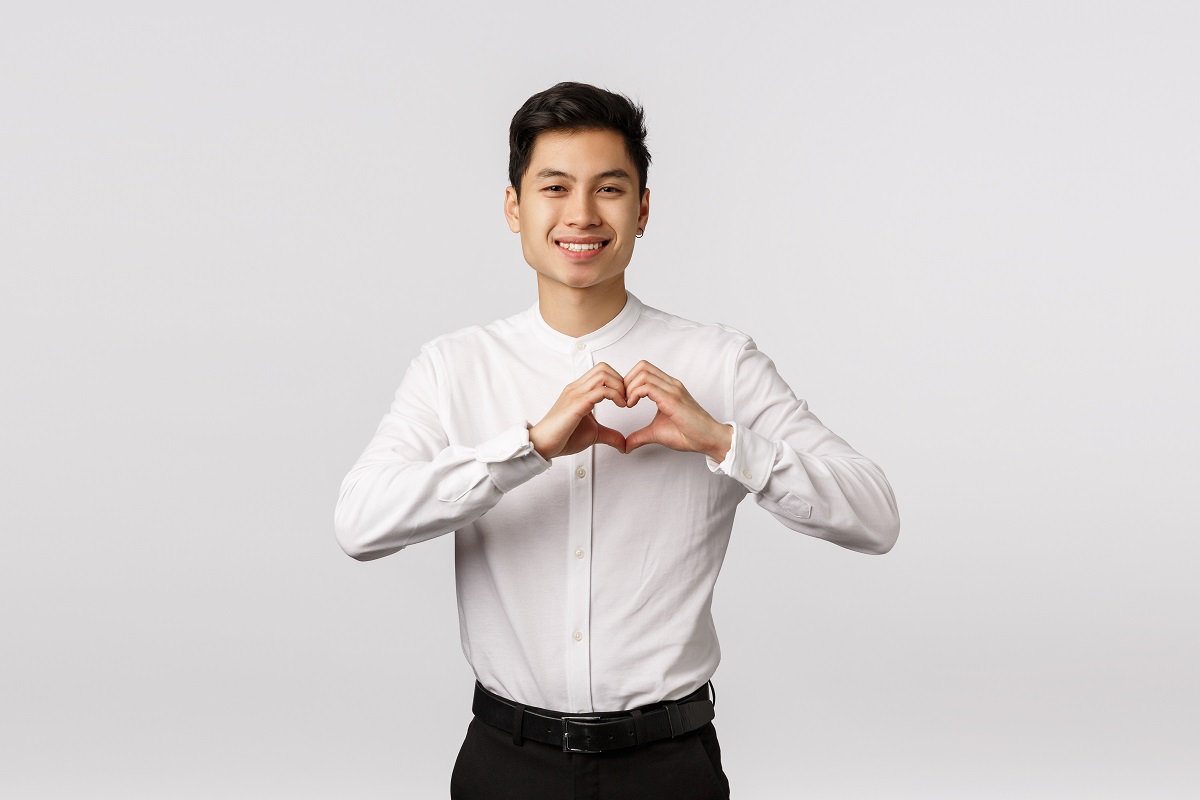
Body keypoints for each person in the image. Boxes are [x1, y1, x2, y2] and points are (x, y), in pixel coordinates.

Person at [334, 81, 900, 799]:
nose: (580, 214)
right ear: (514, 207)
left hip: (667, 767)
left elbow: (876, 518)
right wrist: (525, 449)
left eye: (608, 188)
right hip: (506, 763)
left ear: (643, 208)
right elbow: (358, 524)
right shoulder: (454, 367)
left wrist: (726, 441)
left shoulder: (718, 364)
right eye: (554, 187)